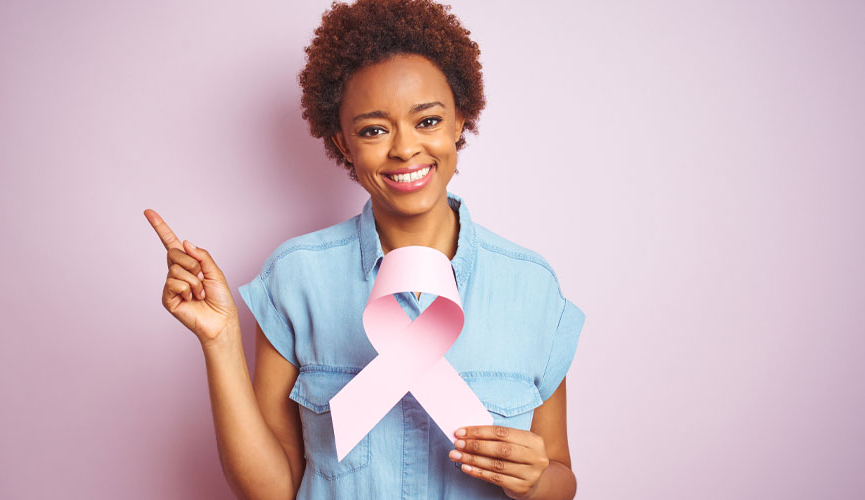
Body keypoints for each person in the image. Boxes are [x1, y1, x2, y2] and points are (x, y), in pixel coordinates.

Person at [143, 0, 585, 498]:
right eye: (374, 130)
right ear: (342, 142)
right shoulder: (295, 279)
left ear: (460, 121)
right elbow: (270, 490)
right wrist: (220, 340)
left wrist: (537, 481)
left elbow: (561, 477)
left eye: (429, 121)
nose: (404, 149)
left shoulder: (531, 287)